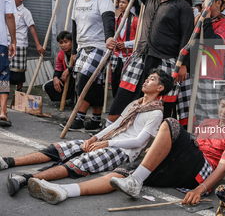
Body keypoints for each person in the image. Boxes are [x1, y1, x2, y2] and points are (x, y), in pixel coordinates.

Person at [26, 89, 225, 205]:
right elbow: (188, 148)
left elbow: (222, 169)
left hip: (201, 171)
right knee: (124, 172)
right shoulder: (207, 123)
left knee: (171, 123)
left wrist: (200, 190)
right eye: (223, 106)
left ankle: (136, 180)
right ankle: (65, 191)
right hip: (183, 166)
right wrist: (154, 152)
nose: (224, 112)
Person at [1, 69, 173, 197]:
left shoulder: (156, 113)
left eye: (151, 79)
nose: (145, 81)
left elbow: (138, 141)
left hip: (122, 152)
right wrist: (95, 137)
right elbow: (116, 125)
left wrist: (107, 143)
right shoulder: (136, 103)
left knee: (78, 162)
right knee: (61, 147)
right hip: (108, 140)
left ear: (160, 87)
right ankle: (8, 161)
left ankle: (24, 178)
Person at [106, 0, 194, 128]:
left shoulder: (182, 7)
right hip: (140, 59)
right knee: (123, 97)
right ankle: (108, 130)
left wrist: (183, 64)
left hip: (166, 63)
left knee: (162, 105)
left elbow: (187, 37)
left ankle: (156, 142)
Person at [61, 0, 115, 132]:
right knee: (95, 84)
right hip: (83, 47)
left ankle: (78, 119)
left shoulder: (104, 0)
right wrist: (75, 49)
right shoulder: (78, 0)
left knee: (85, 79)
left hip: (99, 46)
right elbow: (75, 24)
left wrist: (109, 38)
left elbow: (108, 21)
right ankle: (96, 121)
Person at [194, 0, 225, 123]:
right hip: (194, 74)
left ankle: (215, 142)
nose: (205, 4)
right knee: (197, 117)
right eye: (204, 0)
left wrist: (207, 19)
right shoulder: (199, 20)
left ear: (218, 3)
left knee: (211, 116)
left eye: (209, 0)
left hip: (210, 75)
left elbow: (213, 43)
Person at [8, 0, 45, 92]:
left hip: (20, 44)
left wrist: (38, 44)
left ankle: (19, 91)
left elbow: (32, 28)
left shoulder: (25, 12)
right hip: (7, 43)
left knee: (19, 71)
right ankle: (4, 92)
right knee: (4, 70)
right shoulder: (7, 10)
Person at [110, 0, 139, 98]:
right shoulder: (116, 20)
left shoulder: (136, 20)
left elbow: (139, 39)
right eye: (120, 2)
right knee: (115, 81)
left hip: (129, 56)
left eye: (124, 2)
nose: (120, 4)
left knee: (126, 82)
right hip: (117, 55)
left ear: (130, 5)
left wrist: (125, 44)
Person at [0, 0, 16, 127]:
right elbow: (9, 15)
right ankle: (3, 111)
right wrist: (13, 40)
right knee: (3, 76)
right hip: (0, 41)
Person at [42, 31, 75, 102]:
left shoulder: (77, 52)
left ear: (72, 42)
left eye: (66, 42)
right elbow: (58, 69)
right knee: (47, 86)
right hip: (66, 79)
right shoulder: (61, 54)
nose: (63, 45)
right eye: (61, 43)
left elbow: (83, 67)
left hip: (77, 78)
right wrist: (55, 78)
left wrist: (69, 70)